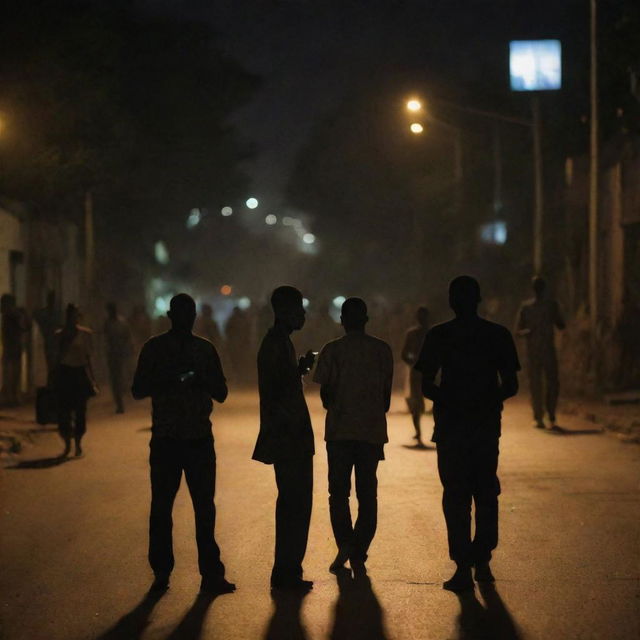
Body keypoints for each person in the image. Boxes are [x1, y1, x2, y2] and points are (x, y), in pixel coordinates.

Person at [415, 276, 520, 592]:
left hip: (450, 427)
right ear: (479, 300)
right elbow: (511, 385)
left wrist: (452, 400)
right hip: (486, 427)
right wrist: (486, 401)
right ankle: (483, 561)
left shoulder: (439, 335)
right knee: (486, 492)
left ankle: (462, 565)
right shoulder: (497, 335)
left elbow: (426, 385)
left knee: (456, 496)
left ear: (451, 302)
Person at [132, 293, 234, 595]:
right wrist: (179, 380)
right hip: (192, 439)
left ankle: (164, 573)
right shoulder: (203, 349)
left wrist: (191, 379)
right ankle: (207, 575)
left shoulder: (155, 348)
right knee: (200, 508)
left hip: (171, 439)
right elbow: (222, 392)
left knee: (166, 508)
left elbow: (138, 389)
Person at [313, 297, 393, 576]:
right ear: (366, 320)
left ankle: (345, 543)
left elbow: (324, 394)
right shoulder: (382, 350)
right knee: (367, 493)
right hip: (370, 432)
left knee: (338, 493)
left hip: (339, 432)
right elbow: (386, 399)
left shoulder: (332, 350)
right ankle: (359, 547)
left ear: (342, 321)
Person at [252, 285, 316, 592]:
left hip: (288, 436)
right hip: (289, 437)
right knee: (295, 504)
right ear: (284, 311)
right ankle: (287, 572)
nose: (303, 315)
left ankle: (288, 569)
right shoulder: (276, 344)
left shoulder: (279, 343)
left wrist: (298, 370)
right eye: (299, 309)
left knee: (292, 503)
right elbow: (279, 395)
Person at [515, 276, 565, 429]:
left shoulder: (542, 306)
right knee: (545, 384)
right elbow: (562, 325)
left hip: (538, 352)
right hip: (541, 352)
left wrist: (528, 332)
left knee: (542, 384)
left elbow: (517, 331)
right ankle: (546, 415)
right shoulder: (548, 305)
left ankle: (543, 416)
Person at [54, 304, 97, 457]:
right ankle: (67, 444)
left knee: (80, 412)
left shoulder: (86, 334)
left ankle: (78, 444)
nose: (73, 319)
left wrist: (92, 380)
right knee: (64, 412)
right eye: (70, 316)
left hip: (80, 374)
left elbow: (88, 359)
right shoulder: (59, 335)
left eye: (75, 316)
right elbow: (56, 358)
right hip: (65, 374)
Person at [401, 306, 431, 447]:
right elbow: (404, 354)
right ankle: (419, 433)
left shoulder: (414, 334)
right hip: (426, 372)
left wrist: (413, 363)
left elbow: (404, 354)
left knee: (417, 404)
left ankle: (419, 432)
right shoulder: (433, 333)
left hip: (421, 372)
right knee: (417, 404)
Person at [104, 302, 134, 414]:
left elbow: (128, 337)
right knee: (115, 380)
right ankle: (119, 403)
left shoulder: (122, 323)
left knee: (121, 378)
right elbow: (105, 340)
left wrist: (129, 350)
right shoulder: (107, 323)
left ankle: (121, 401)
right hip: (112, 354)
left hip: (121, 354)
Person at [1, 294, 26, 406]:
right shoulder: (13, 314)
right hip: (12, 347)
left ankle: (12, 397)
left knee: (11, 373)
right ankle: (12, 396)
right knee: (11, 372)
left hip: (13, 347)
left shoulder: (13, 314)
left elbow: (23, 327)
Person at [34, 290, 61, 375]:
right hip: (49, 342)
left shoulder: (56, 313)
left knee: (54, 364)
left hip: (54, 342)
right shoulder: (46, 313)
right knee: (51, 364)